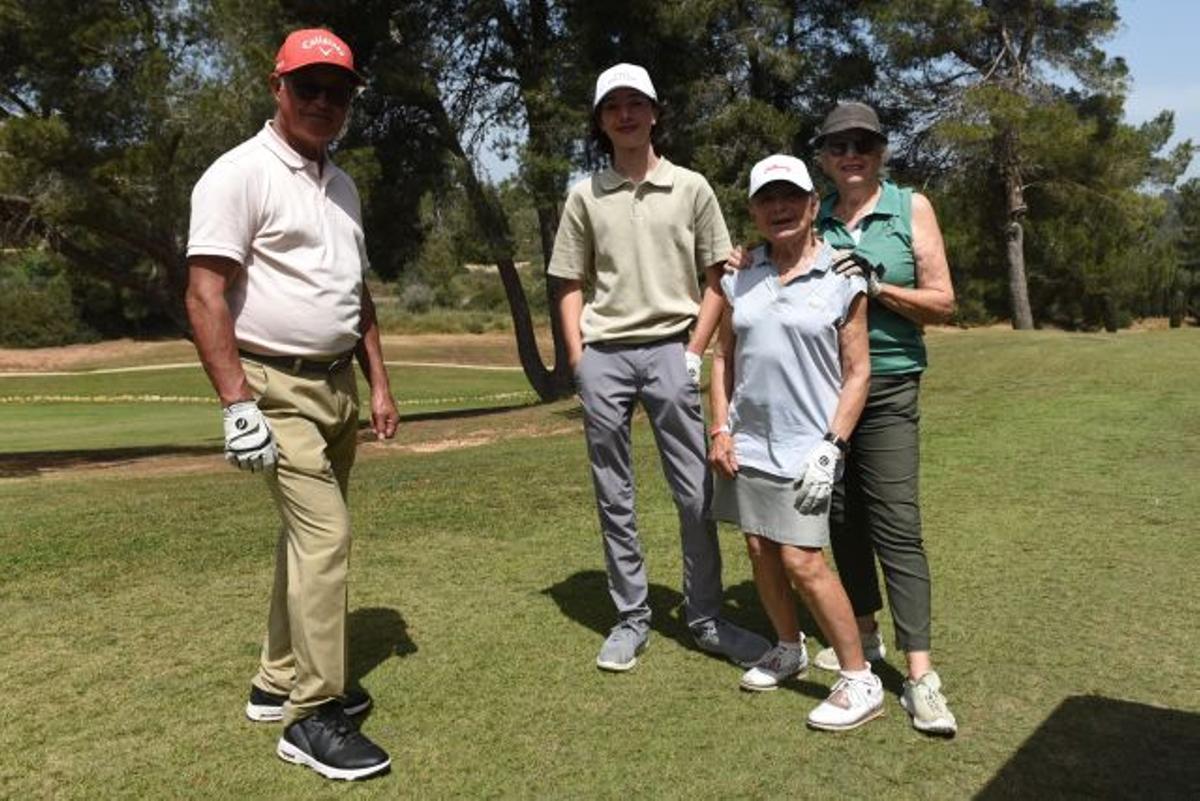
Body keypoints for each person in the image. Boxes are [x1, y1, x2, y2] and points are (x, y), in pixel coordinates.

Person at [185, 28, 398, 780]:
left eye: (337, 92)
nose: (322, 102)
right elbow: (205, 293)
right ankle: (311, 715)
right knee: (327, 537)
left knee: (305, 540)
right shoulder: (237, 174)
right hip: (273, 386)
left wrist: (378, 381)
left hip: (338, 386)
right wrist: (235, 403)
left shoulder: (342, 185)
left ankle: (276, 679)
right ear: (277, 87)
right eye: (307, 87)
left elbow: (355, 294)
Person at [548, 63, 770, 673]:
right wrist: (578, 359)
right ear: (601, 120)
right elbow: (568, 281)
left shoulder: (691, 187)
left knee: (695, 491)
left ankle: (705, 617)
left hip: (674, 349)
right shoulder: (584, 195)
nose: (625, 115)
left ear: (654, 112)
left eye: (635, 103)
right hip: (605, 355)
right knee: (613, 492)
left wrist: (694, 350)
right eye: (612, 106)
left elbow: (718, 277)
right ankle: (631, 618)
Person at [708, 154, 882, 731]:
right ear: (754, 211)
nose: (778, 208)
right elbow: (723, 359)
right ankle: (788, 646)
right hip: (748, 443)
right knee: (759, 550)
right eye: (767, 199)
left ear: (812, 205)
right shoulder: (741, 274)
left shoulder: (843, 275)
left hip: (808, 447)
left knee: (802, 561)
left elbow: (858, 371)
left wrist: (833, 445)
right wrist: (720, 428)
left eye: (790, 197)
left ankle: (859, 677)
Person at [809, 101, 959, 735]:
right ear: (824, 157)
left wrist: (879, 287)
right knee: (842, 517)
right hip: (829, 388)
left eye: (863, 145)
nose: (852, 155)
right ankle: (864, 634)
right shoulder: (815, 216)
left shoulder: (909, 208)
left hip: (891, 384)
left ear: (880, 153)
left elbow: (944, 303)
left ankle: (920, 675)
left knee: (897, 522)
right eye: (839, 145)